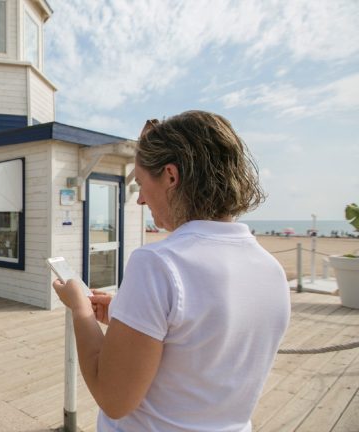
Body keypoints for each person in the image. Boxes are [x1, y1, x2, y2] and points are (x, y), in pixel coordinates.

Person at [53, 110, 291, 431]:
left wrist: (80, 309)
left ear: (170, 176)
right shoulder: (271, 270)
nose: (139, 201)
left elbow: (113, 399)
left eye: (140, 184)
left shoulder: (158, 264)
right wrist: (129, 315)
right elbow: (200, 346)